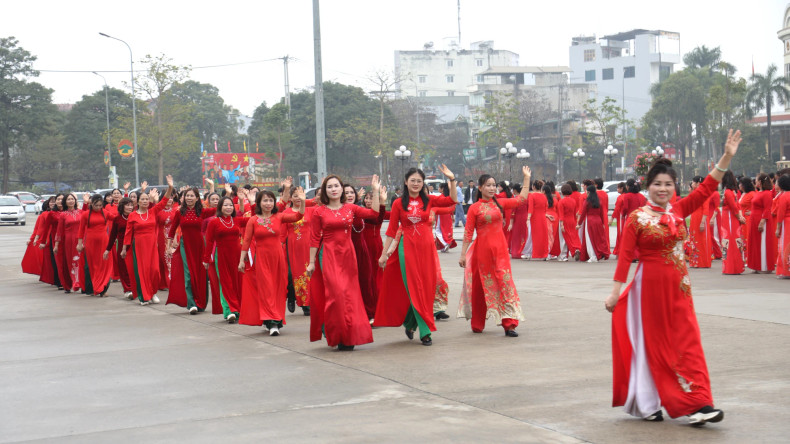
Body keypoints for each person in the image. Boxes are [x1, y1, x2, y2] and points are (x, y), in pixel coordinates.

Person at [606, 129, 741, 426]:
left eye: (668, 184)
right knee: (658, 346)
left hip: (680, 289)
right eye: (657, 184)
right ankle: (655, 401)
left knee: (688, 341)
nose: (663, 189)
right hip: (649, 290)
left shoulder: (679, 210)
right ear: (648, 186)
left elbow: (706, 189)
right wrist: (615, 292)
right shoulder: (637, 218)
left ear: (674, 186)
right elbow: (626, 257)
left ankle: (699, 401)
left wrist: (727, 156)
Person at [376, 166, 457, 346]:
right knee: (414, 287)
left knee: (427, 288)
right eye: (412, 180)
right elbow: (390, 230)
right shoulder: (398, 203)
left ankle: (410, 323)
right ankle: (426, 330)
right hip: (407, 248)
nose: (416, 184)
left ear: (423, 183)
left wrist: (451, 179)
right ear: (406, 182)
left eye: (419, 181)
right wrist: (384, 254)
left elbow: (452, 200)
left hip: (427, 248)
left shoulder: (429, 201)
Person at [307, 174, 382, 351]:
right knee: (336, 295)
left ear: (342, 189)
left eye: (336, 186)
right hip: (329, 255)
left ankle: (349, 335)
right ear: (325, 191)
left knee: (349, 296)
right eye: (329, 187)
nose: (333, 189)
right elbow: (314, 238)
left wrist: (376, 191)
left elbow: (374, 213)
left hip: (348, 256)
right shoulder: (319, 211)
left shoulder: (351, 208)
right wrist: (311, 262)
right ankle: (336, 333)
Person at [458, 166, 531, 336]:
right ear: (481, 187)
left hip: (500, 252)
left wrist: (526, 178)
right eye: (488, 185)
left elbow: (521, 200)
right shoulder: (475, 208)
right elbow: (468, 232)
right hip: (481, 253)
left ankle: (510, 324)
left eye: (494, 185)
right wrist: (463, 254)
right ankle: (477, 323)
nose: (492, 188)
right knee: (480, 286)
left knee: (505, 284)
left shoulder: (500, 203)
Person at [238, 189, 305, 335]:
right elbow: (247, 241)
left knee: (278, 289)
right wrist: (242, 260)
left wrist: (303, 201)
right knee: (266, 289)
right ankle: (272, 322)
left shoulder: (280, 216)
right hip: (262, 259)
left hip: (278, 258)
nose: (268, 203)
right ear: (259, 203)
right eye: (265, 200)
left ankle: (276, 319)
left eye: (270, 200)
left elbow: (298, 216)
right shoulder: (253, 220)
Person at [121, 176, 174, 305]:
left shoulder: (153, 212)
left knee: (154, 270)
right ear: (137, 202)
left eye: (146, 199)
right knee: (142, 271)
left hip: (152, 245)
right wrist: (124, 249)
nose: (144, 201)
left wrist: (170, 187)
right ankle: (144, 296)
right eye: (142, 199)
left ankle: (153, 292)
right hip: (139, 245)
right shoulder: (133, 215)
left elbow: (164, 200)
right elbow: (128, 233)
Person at [202, 191, 252, 322]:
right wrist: (206, 259)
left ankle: (239, 309)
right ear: (220, 207)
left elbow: (253, 219)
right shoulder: (214, 222)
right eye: (225, 205)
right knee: (225, 283)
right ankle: (229, 310)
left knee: (238, 282)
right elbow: (209, 242)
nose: (229, 207)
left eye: (230, 205)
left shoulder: (236, 220)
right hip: (222, 255)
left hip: (237, 255)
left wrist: (250, 202)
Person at [166, 187, 217, 314]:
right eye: (187, 196)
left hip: (200, 246)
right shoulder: (179, 212)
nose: (189, 198)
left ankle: (200, 302)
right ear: (183, 198)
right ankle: (191, 303)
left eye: (191, 196)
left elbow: (220, 209)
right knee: (188, 274)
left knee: (200, 275)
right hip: (185, 245)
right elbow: (172, 230)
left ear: (197, 198)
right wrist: (168, 246)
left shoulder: (203, 211)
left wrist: (228, 195)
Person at [344, 184, 376, 322]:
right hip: (344, 252)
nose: (350, 195)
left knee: (365, 282)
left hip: (361, 251)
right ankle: (350, 313)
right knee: (347, 285)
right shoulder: (335, 211)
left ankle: (369, 314)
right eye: (346, 193)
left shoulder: (359, 210)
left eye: (352, 192)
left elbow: (376, 217)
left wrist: (376, 193)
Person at [76, 194, 115, 296]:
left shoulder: (106, 213)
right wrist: (79, 244)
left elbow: (116, 219)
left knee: (105, 264)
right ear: (91, 204)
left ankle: (103, 287)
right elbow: (80, 230)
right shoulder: (85, 214)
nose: (98, 207)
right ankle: (95, 287)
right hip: (90, 243)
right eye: (96, 205)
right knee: (93, 265)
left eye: (100, 205)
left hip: (104, 241)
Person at [54, 193, 84, 293]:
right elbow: (59, 231)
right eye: (68, 199)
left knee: (82, 261)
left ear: (75, 201)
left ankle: (81, 283)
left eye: (72, 199)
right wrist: (57, 245)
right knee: (72, 262)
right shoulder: (63, 215)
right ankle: (73, 282)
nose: (71, 201)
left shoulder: (81, 212)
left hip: (80, 240)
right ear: (65, 202)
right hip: (69, 241)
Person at [105, 197, 135, 299]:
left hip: (135, 245)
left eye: (131, 205)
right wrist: (107, 249)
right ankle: (127, 290)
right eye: (127, 205)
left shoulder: (136, 216)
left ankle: (136, 288)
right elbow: (113, 235)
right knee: (124, 269)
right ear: (122, 207)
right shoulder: (117, 218)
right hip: (122, 246)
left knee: (134, 268)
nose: (130, 207)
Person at [747, 174, 776, 274]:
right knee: (755, 243)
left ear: (761, 182)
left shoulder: (767, 193)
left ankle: (764, 265)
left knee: (762, 243)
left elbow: (767, 209)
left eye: (757, 180)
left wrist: (762, 222)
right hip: (754, 219)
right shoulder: (758, 192)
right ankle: (756, 264)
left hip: (761, 220)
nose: (755, 182)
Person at [720, 171, 746, 275]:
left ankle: (731, 267)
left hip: (729, 218)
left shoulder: (727, 192)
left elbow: (733, 207)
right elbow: (737, 205)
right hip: (731, 217)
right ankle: (736, 266)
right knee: (735, 240)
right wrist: (740, 216)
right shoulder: (732, 191)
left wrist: (739, 216)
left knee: (729, 241)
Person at [578, 185, 610, 262]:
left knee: (590, 239)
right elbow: (602, 213)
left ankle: (593, 256)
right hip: (598, 220)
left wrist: (579, 223)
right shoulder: (599, 201)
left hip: (590, 221)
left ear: (588, 192)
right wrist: (602, 223)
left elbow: (583, 213)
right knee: (597, 239)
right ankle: (597, 254)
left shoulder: (587, 201)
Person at [687, 176, 713, 268]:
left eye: (693, 182)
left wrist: (702, 222)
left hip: (701, 218)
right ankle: (695, 261)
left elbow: (706, 209)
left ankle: (703, 262)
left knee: (702, 240)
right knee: (694, 239)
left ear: (698, 183)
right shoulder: (695, 193)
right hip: (694, 218)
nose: (692, 184)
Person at [155, 194, 178, 291]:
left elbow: (177, 225)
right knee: (164, 259)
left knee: (173, 258)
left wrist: (176, 237)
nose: (170, 200)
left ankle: (173, 282)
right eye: (167, 198)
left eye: (171, 198)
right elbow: (154, 225)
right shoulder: (158, 211)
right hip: (161, 236)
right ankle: (165, 283)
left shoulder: (175, 211)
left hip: (173, 236)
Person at [522, 180, 548, 260]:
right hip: (543, 217)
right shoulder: (544, 196)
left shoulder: (532, 196)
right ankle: (543, 254)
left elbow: (530, 208)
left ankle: (529, 253)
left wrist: (528, 218)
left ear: (533, 187)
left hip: (534, 217)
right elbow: (545, 208)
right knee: (542, 236)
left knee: (531, 235)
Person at [557, 184, 581, 261]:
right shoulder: (573, 201)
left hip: (564, 221)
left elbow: (561, 214)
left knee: (564, 239)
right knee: (573, 237)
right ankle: (576, 248)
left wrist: (561, 224)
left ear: (562, 192)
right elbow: (575, 213)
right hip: (572, 220)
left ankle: (563, 256)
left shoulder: (561, 201)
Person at [508, 183, 530, 259]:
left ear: (514, 190)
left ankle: (516, 251)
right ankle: (523, 251)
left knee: (516, 235)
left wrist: (510, 223)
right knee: (524, 234)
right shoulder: (526, 198)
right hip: (525, 217)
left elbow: (513, 212)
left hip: (518, 218)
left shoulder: (516, 199)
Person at [434, 183, 457, 253]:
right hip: (448, 215)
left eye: (439, 187)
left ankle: (445, 243)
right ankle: (443, 246)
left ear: (442, 189)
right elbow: (452, 207)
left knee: (437, 231)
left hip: (441, 215)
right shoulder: (449, 197)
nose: (438, 189)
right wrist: (452, 216)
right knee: (445, 231)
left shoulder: (441, 197)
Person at [775, 174, 790, 278]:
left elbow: (780, 214)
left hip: (786, 223)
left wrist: (778, 228)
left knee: (784, 246)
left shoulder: (784, 196)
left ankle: (785, 271)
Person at [611, 182, 626, 256]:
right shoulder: (627, 196)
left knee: (620, 234)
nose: (617, 189)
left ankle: (620, 250)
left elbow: (617, 209)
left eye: (618, 188)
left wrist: (612, 218)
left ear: (622, 188)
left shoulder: (620, 197)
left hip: (621, 217)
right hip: (627, 217)